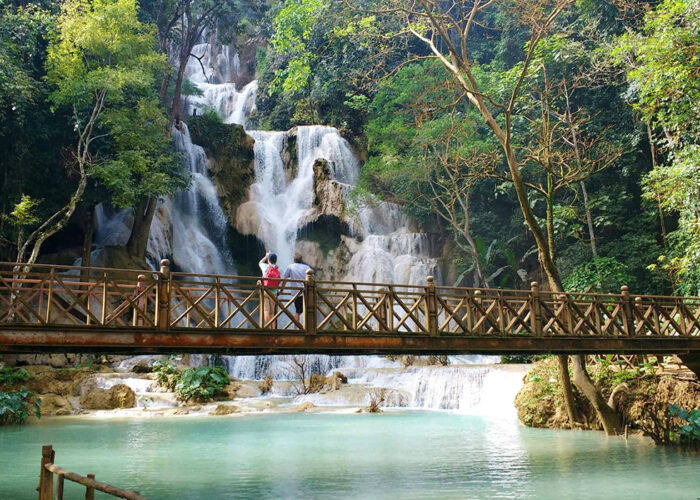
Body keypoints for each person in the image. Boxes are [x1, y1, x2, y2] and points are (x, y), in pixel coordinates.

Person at [282, 252, 312, 323]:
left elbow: (284, 279)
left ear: (293, 259)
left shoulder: (290, 267)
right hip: (307, 292)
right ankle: (306, 327)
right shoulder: (307, 267)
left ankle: (296, 328)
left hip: (297, 293)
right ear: (301, 260)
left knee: (298, 311)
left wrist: (282, 289)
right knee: (307, 310)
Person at [259, 251, 280, 329]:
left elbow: (260, 262)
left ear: (268, 260)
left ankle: (268, 328)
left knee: (266, 310)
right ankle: (273, 329)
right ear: (276, 260)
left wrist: (266, 256)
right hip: (274, 292)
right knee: (272, 312)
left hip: (265, 291)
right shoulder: (279, 268)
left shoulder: (265, 267)